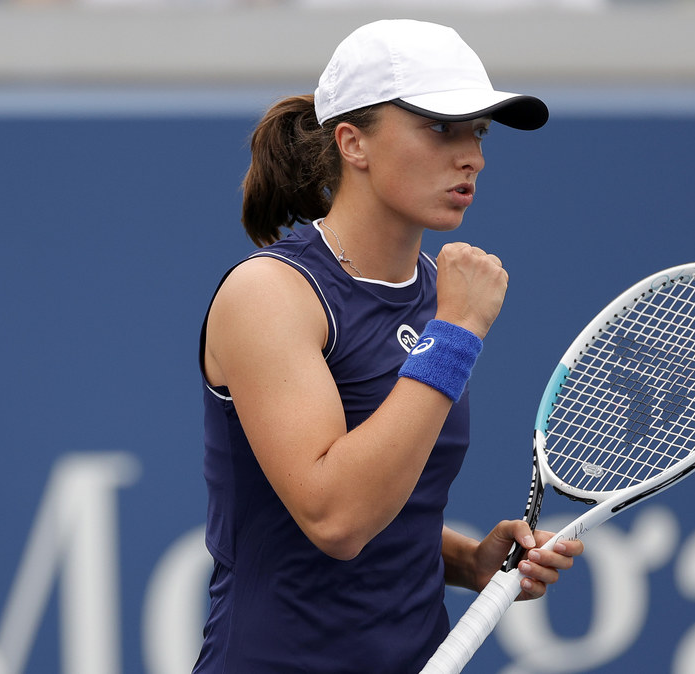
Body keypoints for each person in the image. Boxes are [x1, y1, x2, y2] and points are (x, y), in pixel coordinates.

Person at [194, 19, 583, 673]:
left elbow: (392, 505)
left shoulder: (438, 293)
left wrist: (469, 560)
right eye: (440, 127)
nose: (472, 157)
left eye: (478, 132)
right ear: (353, 142)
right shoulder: (270, 293)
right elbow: (336, 520)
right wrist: (454, 335)